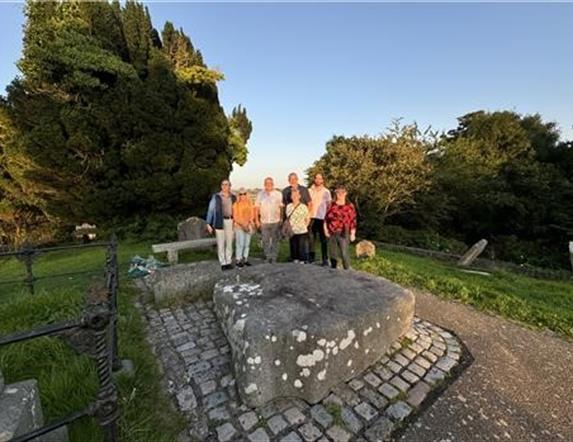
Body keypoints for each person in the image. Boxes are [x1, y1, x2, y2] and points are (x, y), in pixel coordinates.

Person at [324, 184, 357, 270]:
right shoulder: (331, 204)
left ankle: (347, 268)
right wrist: (325, 229)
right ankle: (333, 268)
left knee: (344, 252)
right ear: (336, 193)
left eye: (342, 192)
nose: (340, 194)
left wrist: (353, 233)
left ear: (345, 193)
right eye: (338, 192)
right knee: (333, 252)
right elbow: (326, 218)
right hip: (332, 231)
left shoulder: (350, 206)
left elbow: (353, 220)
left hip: (344, 231)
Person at [206, 179, 236, 270]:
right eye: (223, 184)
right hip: (219, 221)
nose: (225, 186)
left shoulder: (233, 197)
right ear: (221, 186)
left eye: (227, 184)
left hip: (230, 221)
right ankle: (223, 263)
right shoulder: (216, 197)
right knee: (221, 242)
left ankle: (228, 261)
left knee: (229, 243)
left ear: (230, 186)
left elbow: (237, 210)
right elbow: (211, 210)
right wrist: (208, 223)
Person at [282, 172, 312, 260]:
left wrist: (307, 219)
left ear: (297, 179)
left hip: (302, 221)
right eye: (291, 179)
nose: (293, 181)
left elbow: (310, 204)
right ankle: (294, 259)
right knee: (293, 245)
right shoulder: (285, 191)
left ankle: (304, 259)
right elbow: (284, 207)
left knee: (302, 245)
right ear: (288, 180)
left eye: (294, 179)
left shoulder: (304, 189)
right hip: (291, 224)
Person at [255, 177, 283, 263]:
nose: (268, 185)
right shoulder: (260, 194)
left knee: (275, 240)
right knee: (265, 240)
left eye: (270, 183)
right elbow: (256, 208)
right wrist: (256, 220)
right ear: (264, 184)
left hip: (275, 221)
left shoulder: (278, 194)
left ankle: (274, 257)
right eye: (267, 183)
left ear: (273, 184)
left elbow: (281, 207)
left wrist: (281, 218)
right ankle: (268, 256)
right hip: (264, 221)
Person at [308, 173, 332, 266]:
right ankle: (311, 257)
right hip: (311, 217)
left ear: (323, 180)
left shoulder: (326, 191)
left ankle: (325, 259)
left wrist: (328, 217)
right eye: (316, 178)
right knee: (311, 239)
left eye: (320, 178)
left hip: (322, 217)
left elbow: (329, 205)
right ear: (314, 179)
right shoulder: (309, 190)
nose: (318, 180)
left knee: (323, 239)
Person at [285, 188, 310, 263]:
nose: (295, 196)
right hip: (292, 231)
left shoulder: (303, 207)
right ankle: (295, 260)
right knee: (293, 247)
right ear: (291, 197)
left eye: (296, 195)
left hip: (301, 230)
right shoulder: (288, 206)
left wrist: (304, 226)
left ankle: (302, 261)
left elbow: (307, 218)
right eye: (293, 195)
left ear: (299, 196)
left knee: (301, 247)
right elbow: (288, 217)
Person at [232, 188, 255, 267]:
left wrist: (250, 223)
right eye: (241, 194)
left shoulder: (249, 203)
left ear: (246, 194)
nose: (243, 196)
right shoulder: (236, 204)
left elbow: (252, 214)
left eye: (244, 194)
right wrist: (243, 224)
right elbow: (235, 216)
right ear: (238, 195)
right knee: (240, 243)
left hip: (248, 225)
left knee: (247, 243)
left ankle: (245, 259)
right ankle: (238, 260)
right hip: (239, 226)